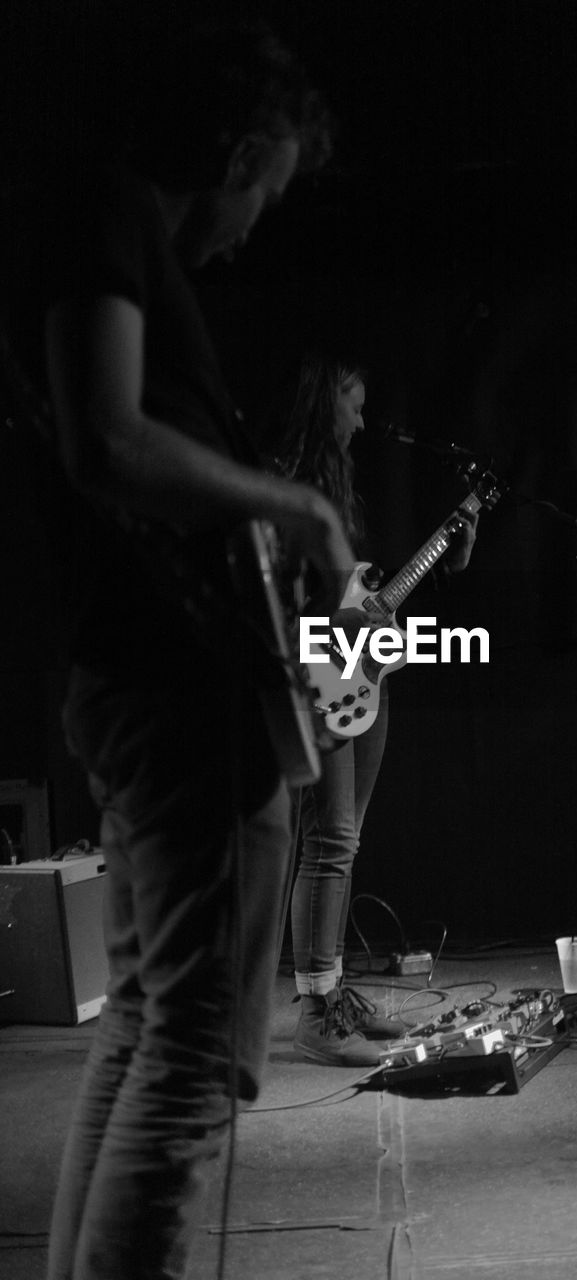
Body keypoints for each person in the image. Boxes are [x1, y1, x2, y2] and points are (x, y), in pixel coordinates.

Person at [13, 20, 357, 1280]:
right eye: (269, 188)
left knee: (150, 1026)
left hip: (133, 678)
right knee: (190, 1058)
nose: (258, 225)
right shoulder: (107, 212)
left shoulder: (93, 224)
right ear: (245, 145)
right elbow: (107, 441)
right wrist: (301, 509)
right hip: (173, 693)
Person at [277, 353, 479, 1066]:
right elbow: (290, 599)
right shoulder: (288, 483)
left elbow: (359, 595)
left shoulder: (339, 486)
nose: (362, 420)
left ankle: (332, 996)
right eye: (352, 404)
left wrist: (449, 548)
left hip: (364, 677)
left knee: (345, 841)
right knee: (326, 841)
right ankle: (313, 1009)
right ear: (321, 399)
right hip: (320, 678)